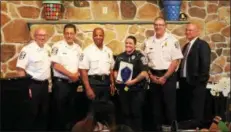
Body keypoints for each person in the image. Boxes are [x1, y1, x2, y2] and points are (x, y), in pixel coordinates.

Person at [143, 17, 183, 131]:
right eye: (156, 24)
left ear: (165, 26)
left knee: (169, 106)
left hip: (168, 76)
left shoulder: (173, 41)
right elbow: (145, 62)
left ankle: (172, 129)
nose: (158, 27)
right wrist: (151, 76)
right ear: (153, 26)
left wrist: (165, 77)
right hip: (153, 75)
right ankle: (157, 129)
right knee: (156, 106)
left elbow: (175, 61)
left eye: (161, 25)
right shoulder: (148, 41)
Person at [16, 28, 51, 130]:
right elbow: (20, 69)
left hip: (44, 86)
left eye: (44, 35)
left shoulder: (48, 49)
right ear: (35, 36)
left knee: (44, 113)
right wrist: (26, 88)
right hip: (32, 85)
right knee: (32, 114)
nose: (42, 37)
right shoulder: (27, 50)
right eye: (40, 35)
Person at [50, 24, 82, 130]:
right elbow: (55, 65)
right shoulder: (57, 46)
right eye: (67, 33)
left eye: (71, 33)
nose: (69, 35)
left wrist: (76, 74)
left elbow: (81, 65)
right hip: (61, 84)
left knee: (72, 111)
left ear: (75, 34)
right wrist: (71, 75)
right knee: (60, 112)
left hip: (73, 84)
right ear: (64, 34)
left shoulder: (78, 48)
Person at [178, 23, 211, 125]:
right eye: (187, 30)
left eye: (190, 30)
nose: (187, 32)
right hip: (185, 83)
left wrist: (200, 82)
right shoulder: (186, 46)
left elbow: (205, 65)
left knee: (196, 111)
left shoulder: (202, 45)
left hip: (196, 84)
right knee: (188, 111)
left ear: (197, 32)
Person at [113, 36, 149, 131]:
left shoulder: (140, 56)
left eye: (130, 43)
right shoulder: (120, 56)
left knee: (136, 113)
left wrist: (133, 81)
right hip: (124, 90)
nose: (128, 45)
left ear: (135, 45)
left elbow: (144, 72)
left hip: (137, 90)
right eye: (126, 43)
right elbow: (115, 70)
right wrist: (117, 77)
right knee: (126, 113)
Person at [79, 27, 115, 101]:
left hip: (106, 84)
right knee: (92, 110)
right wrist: (88, 88)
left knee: (105, 109)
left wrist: (112, 84)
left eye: (100, 35)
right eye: (96, 35)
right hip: (93, 84)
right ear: (93, 37)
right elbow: (83, 71)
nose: (98, 37)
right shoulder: (87, 51)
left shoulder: (108, 51)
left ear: (103, 37)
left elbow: (111, 69)